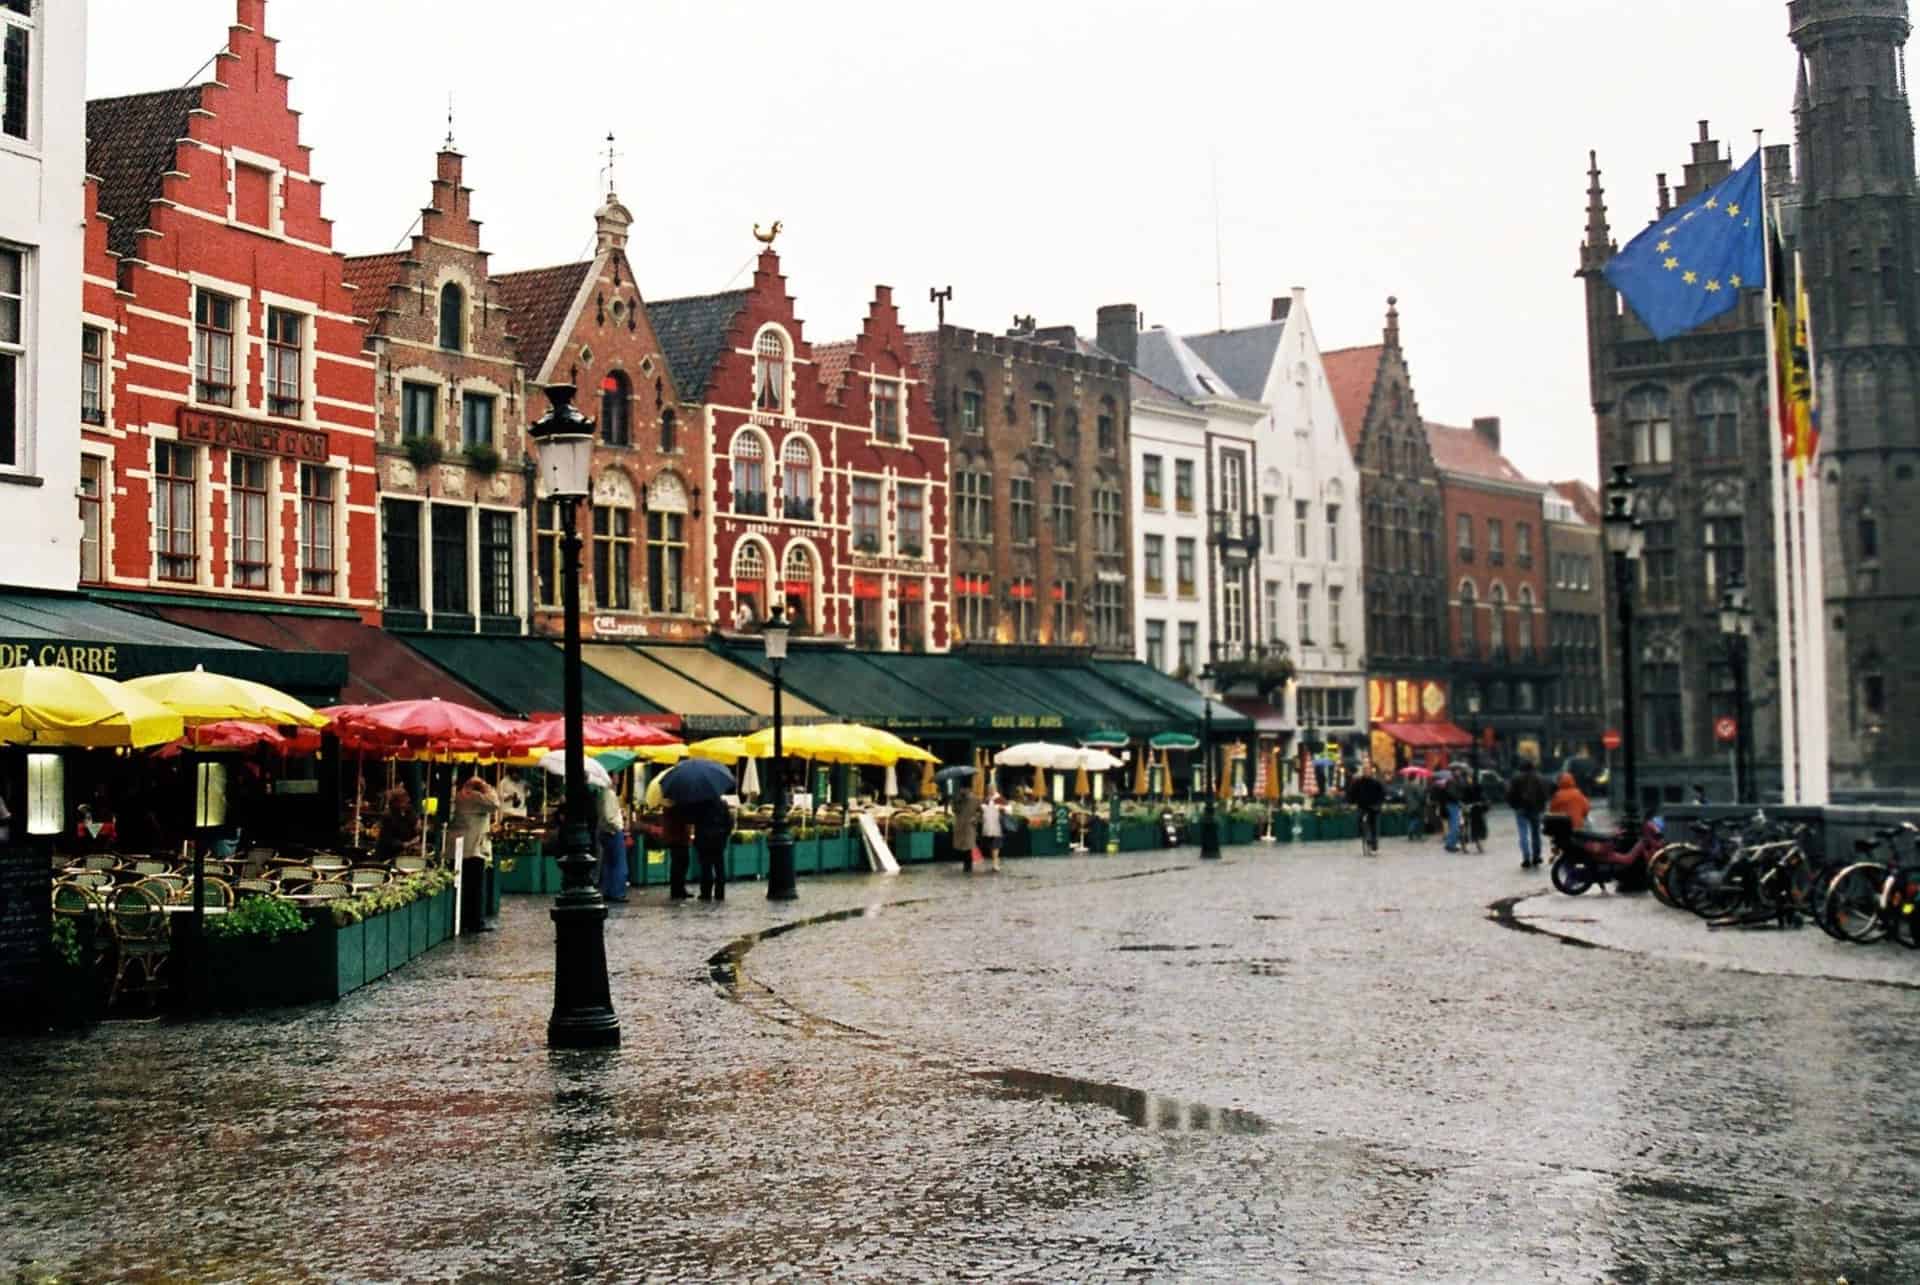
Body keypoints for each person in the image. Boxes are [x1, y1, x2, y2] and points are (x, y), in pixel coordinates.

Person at [1506, 760, 1552, 869]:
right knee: (1535, 833)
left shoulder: (1516, 778)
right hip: (1536, 809)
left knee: (1523, 833)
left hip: (1520, 809)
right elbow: (1545, 793)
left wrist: (1515, 805)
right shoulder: (1540, 778)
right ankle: (1536, 856)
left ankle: (1526, 857)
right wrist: (1542, 806)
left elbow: (1509, 794)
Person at [686, 795, 732, 901]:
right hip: (719, 841)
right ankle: (720, 893)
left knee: (706, 868)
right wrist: (724, 835)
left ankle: (706, 893)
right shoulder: (723, 805)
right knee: (719, 867)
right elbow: (729, 823)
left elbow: (693, 820)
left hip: (704, 840)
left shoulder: (700, 806)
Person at [594, 775, 629, 903]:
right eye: (616, 776)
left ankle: (608, 890)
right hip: (612, 832)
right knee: (619, 864)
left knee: (608, 864)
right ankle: (617, 892)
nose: (618, 779)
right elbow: (609, 816)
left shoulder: (602, 793)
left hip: (605, 831)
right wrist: (617, 827)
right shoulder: (609, 794)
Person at [1345, 767, 1387, 854]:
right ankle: (1367, 839)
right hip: (1362, 807)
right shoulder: (1358, 782)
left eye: (1368, 772)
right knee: (1362, 823)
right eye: (1365, 772)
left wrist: (1378, 805)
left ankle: (1374, 844)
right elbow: (1352, 793)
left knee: (1374, 826)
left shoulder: (1376, 782)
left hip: (1373, 808)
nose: (1367, 773)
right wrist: (1351, 802)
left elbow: (1382, 794)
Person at [374, 786, 417, 862]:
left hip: (405, 853)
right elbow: (387, 839)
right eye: (403, 800)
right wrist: (405, 844)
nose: (407, 801)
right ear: (395, 802)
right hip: (388, 854)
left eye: (406, 799)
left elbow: (413, 830)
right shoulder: (388, 816)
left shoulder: (410, 813)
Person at [662, 805, 693, 901]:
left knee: (679, 864)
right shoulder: (675, 808)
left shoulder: (670, 808)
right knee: (680, 864)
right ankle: (677, 890)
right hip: (679, 839)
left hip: (676, 839)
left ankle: (678, 889)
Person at [951, 782, 982, 873]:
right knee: (962, 847)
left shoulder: (975, 799)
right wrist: (956, 802)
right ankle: (966, 865)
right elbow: (955, 810)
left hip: (969, 826)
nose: (962, 791)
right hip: (960, 825)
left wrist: (975, 818)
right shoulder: (958, 798)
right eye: (961, 789)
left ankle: (968, 866)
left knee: (968, 846)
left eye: (964, 789)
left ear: (969, 789)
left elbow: (980, 811)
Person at [1435, 772, 1462, 852]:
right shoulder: (1450, 785)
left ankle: (1452, 844)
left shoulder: (1445, 785)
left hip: (1448, 806)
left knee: (1452, 826)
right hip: (1452, 806)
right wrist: (1458, 798)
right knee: (1455, 826)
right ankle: (1450, 844)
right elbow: (1453, 795)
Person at [979, 791, 1005, 873]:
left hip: (990, 827)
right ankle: (995, 864)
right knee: (994, 846)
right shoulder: (988, 801)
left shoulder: (986, 801)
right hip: (993, 827)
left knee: (994, 846)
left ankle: (995, 863)